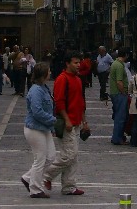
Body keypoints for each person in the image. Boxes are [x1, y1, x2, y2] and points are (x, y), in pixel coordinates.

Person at [43, 51, 88, 196]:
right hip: (66, 122)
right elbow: (59, 101)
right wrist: (67, 119)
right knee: (69, 154)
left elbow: (81, 102)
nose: (78, 65)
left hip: (76, 122)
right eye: (75, 63)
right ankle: (46, 175)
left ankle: (69, 186)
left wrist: (84, 121)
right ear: (67, 64)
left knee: (73, 156)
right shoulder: (62, 79)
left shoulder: (78, 79)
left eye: (79, 62)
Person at [21, 62, 56, 199]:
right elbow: (37, 112)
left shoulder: (44, 88)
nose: (50, 73)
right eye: (49, 71)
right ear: (44, 74)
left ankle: (28, 177)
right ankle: (35, 189)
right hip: (34, 128)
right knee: (40, 158)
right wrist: (53, 120)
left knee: (51, 156)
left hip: (45, 128)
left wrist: (51, 126)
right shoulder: (36, 90)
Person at [109, 48, 129, 145]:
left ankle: (117, 137)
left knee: (118, 115)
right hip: (119, 93)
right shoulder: (119, 66)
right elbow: (119, 81)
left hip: (115, 92)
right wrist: (124, 91)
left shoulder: (115, 63)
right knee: (120, 117)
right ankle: (117, 138)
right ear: (125, 55)